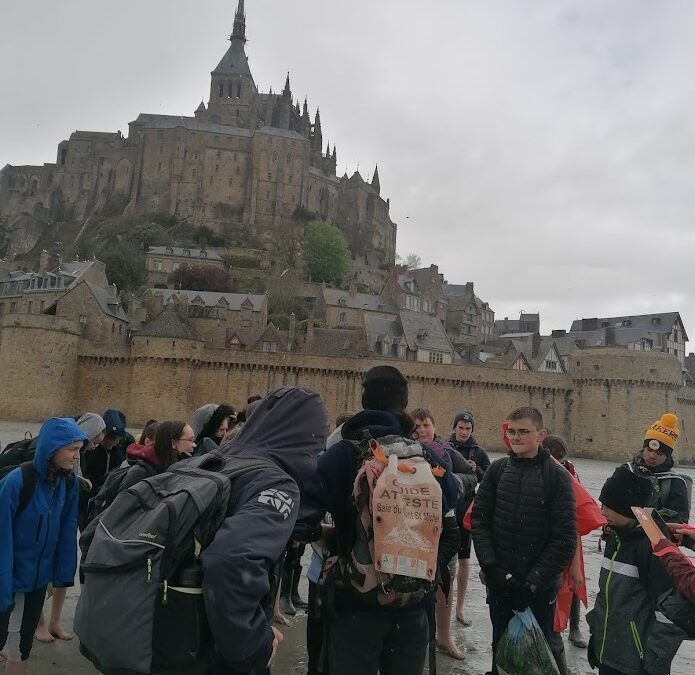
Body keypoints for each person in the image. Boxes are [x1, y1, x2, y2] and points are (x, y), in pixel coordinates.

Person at [293, 366, 460, 675]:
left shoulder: (342, 454)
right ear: (404, 403)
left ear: (364, 399)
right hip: (412, 605)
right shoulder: (423, 454)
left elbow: (299, 518)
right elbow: (452, 496)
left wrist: (328, 536)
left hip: (355, 603)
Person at [204, 386, 328, 674]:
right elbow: (230, 560)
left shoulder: (214, 461)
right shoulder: (276, 482)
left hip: (173, 638)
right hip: (216, 654)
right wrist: (254, 645)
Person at [472, 406, 577, 675]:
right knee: (500, 650)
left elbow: (564, 538)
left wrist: (532, 583)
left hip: (539, 590)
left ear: (540, 435)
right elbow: (480, 522)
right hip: (500, 584)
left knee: (536, 659)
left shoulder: (558, 478)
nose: (516, 437)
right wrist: (494, 569)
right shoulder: (497, 471)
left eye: (523, 432)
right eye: (512, 432)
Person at [0, 418, 87, 675]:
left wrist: (58, 575)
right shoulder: (17, 482)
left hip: (36, 582)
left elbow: (66, 531)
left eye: (79, 449)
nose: (76, 456)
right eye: (71, 449)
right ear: (51, 448)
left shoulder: (68, 483)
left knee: (21, 646)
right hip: (7, 578)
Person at [586, 465, 684, 675]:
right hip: (608, 655)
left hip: (637, 664)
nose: (602, 512)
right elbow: (605, 597)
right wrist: (596, 636)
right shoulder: (615, 540)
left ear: (628, 509)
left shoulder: (653, 549)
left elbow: (671, 616)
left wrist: (653, 662)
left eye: (609, 506)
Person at [412, 407, 472, 660]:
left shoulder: (446, 452)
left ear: (434, 427)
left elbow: (472, 476)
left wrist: (450, 480)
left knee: (444, 581)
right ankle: (415, 635)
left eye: (426, 425)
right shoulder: (405, 452)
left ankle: (444, 637)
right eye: (416, 427)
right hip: (414, 529)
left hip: (445, 528)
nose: (422, 431)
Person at [545, 434, 588, 651]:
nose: (559, 465)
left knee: (574, 583)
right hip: (547, 534)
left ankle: (574, 628)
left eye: (562, 461)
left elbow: (579, 507)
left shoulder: (569, 471)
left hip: (570, 532)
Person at [448, 410, 490, 626]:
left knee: (464, 561)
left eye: (468, 428)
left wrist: (478, 470)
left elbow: (490, 480)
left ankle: (460, 608)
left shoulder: (479, 452)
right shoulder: (444, 447)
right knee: (444, 563)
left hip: (466, 512)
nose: (464, 432)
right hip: (446, 511)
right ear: (454, 427)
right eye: (461, 427)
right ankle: (443, 606)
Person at [625, 413, 690, 523]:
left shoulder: (675, 483)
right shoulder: (626, 471)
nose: (652, 456)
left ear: (667, 455)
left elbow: (679, 521)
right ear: (644, 448)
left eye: (659, 453)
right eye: (649, 450)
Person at [82, 409, 132, 496]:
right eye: (108, 437)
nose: (110, 442)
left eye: (115, 438)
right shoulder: (90, 449)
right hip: (91, 493)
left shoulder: (123, 448)